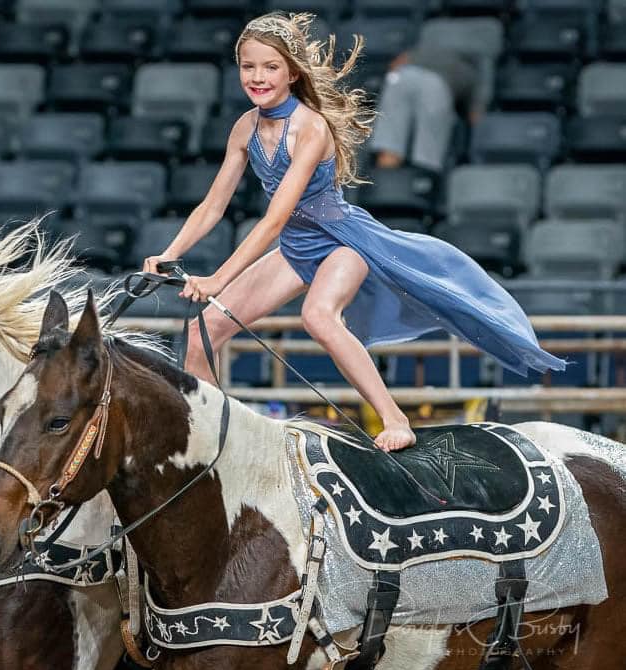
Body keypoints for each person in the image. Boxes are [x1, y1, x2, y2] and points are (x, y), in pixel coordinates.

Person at [143, 12, 565, 452]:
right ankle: (223, 441)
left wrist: (217, 279)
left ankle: (394, 417)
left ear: (292, 72)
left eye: (270, 67)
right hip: (296, 246)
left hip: (341, 242)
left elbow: (272, 219)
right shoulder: (245, 128)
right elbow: (213, 205)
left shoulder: (310, 127)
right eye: (248, 66)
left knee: (318, 316)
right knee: (202, 333)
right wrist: (169, 252)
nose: (258, 76)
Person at [369, 44, 482, 172]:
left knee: (389, 147)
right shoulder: (470, 71)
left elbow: (396, 64)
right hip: (436, 86)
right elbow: (475, 117)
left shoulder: (420, 51)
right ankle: (422, 184)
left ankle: (385, 182)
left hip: (402, 77)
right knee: (426, 157)